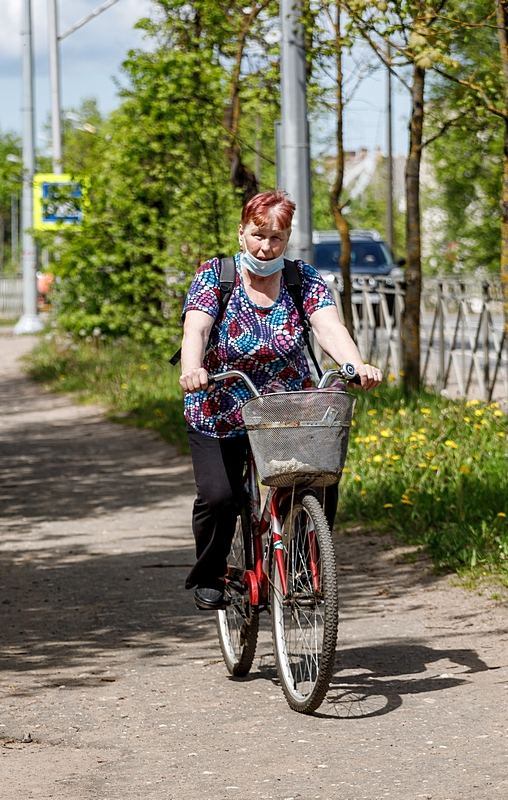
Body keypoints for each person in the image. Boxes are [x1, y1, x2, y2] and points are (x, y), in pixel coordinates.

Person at [178, 190, 382, 610]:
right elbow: (196, 329)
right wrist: (193, 368)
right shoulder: (216, 276)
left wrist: (356, 364)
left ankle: (306, 563)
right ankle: (213, 570)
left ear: (287, 239)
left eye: (276, 238)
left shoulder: (301, 278)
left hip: (285, 409)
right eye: (257, 235)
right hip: (220, 408)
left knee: (320, 481)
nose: (265, 247)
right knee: (221, 498)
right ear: (241, 232)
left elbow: (329, 329)